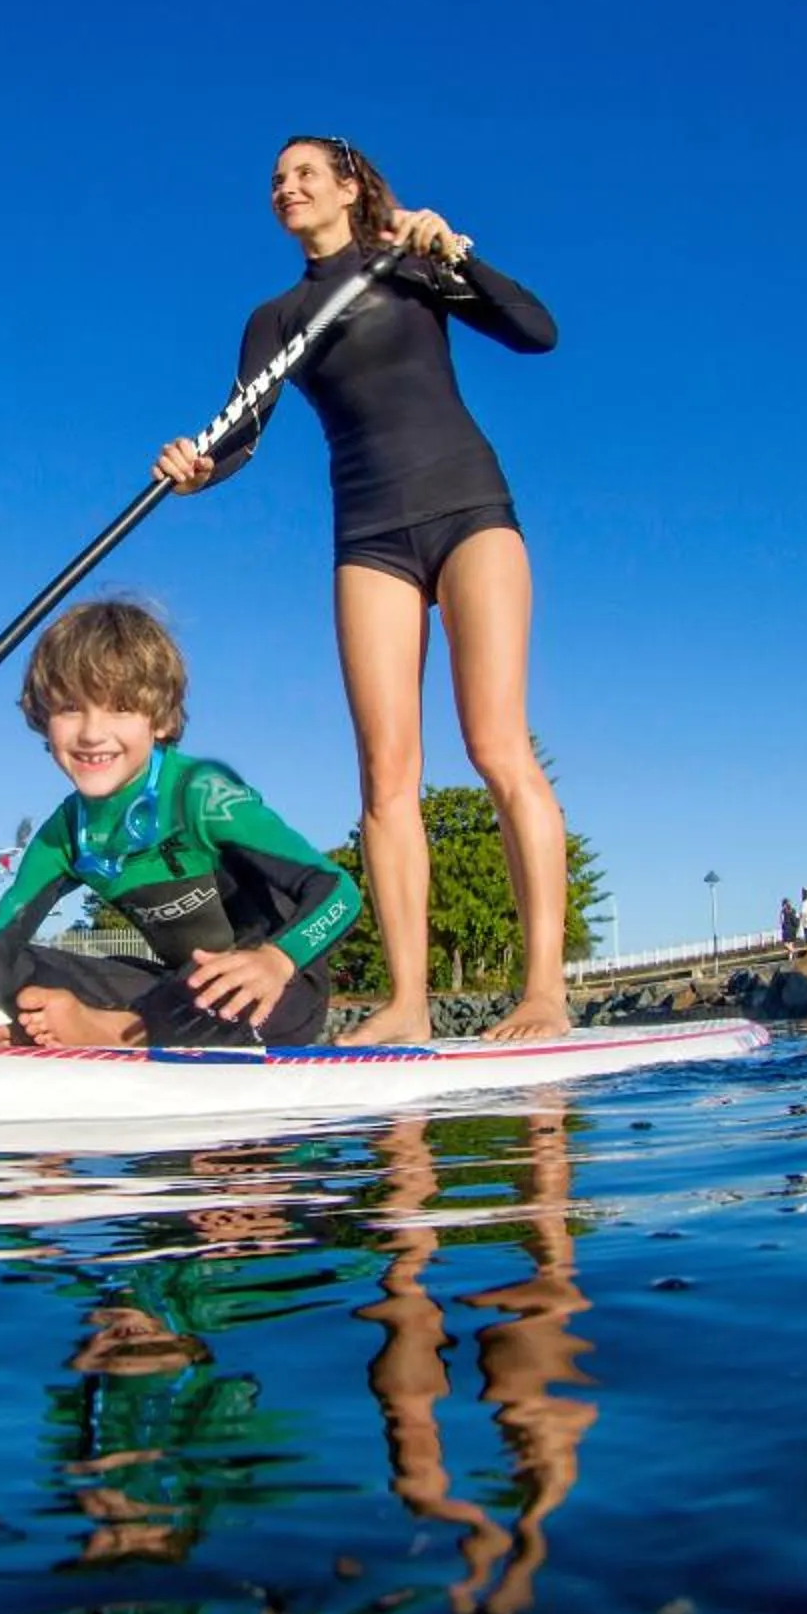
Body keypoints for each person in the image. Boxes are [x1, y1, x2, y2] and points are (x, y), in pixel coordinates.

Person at [155, 135, 568, 1043]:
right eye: (274, 180)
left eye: (305, 174)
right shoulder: (275, 318)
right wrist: (198, 469)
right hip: (368, 534)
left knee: (497, 744)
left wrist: (456, 253)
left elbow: (537, 332)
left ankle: (544, 992)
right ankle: (410, 1003)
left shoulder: (409, 263)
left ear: (350, 186)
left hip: (469, 510)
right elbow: (241, 431)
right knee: (387, 778)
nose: (286, 188)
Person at [0, 600, 362, 1049]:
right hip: (174, 992)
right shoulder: (66, 834)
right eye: (71, 708)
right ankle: (78, 1028)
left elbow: (338, 891)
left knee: (224, 984)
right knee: (14, 962)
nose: (92, 733)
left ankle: (108, 1031)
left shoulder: (201, 795)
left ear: (161, 720)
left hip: (272, 991)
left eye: (119, 708)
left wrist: (278, 959)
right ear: (43, 717)